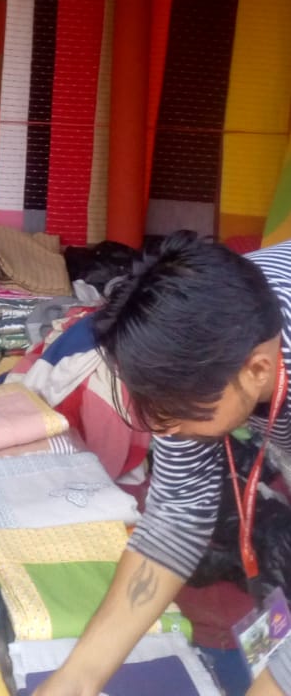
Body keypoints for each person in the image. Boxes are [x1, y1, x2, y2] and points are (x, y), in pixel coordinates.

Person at [34, 231, 291, 696]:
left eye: (177, 415)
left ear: (258, 371)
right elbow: (177, 516)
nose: (165, 431)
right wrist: (74, 682)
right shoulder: (203, 332)